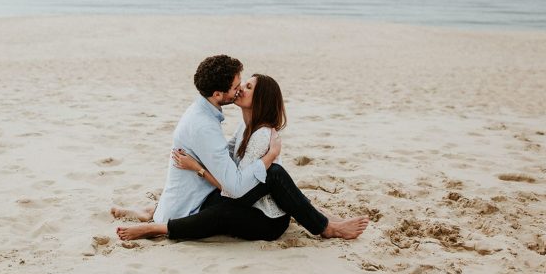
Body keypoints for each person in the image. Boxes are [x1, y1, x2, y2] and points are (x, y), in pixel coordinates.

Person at [113, 55, 369, 241]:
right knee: (222, 197)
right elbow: (228, 166)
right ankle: (156, 214)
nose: (239, 90)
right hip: (247, 202)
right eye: (239, 86)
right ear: (217, 93)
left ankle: (159, 226)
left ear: (259, 100)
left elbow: (237, 191)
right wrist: (199, 168)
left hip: (265, 219)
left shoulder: (260, 135)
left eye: (246, 87)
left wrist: (266, 158)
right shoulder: (239, 127)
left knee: (261, 183)